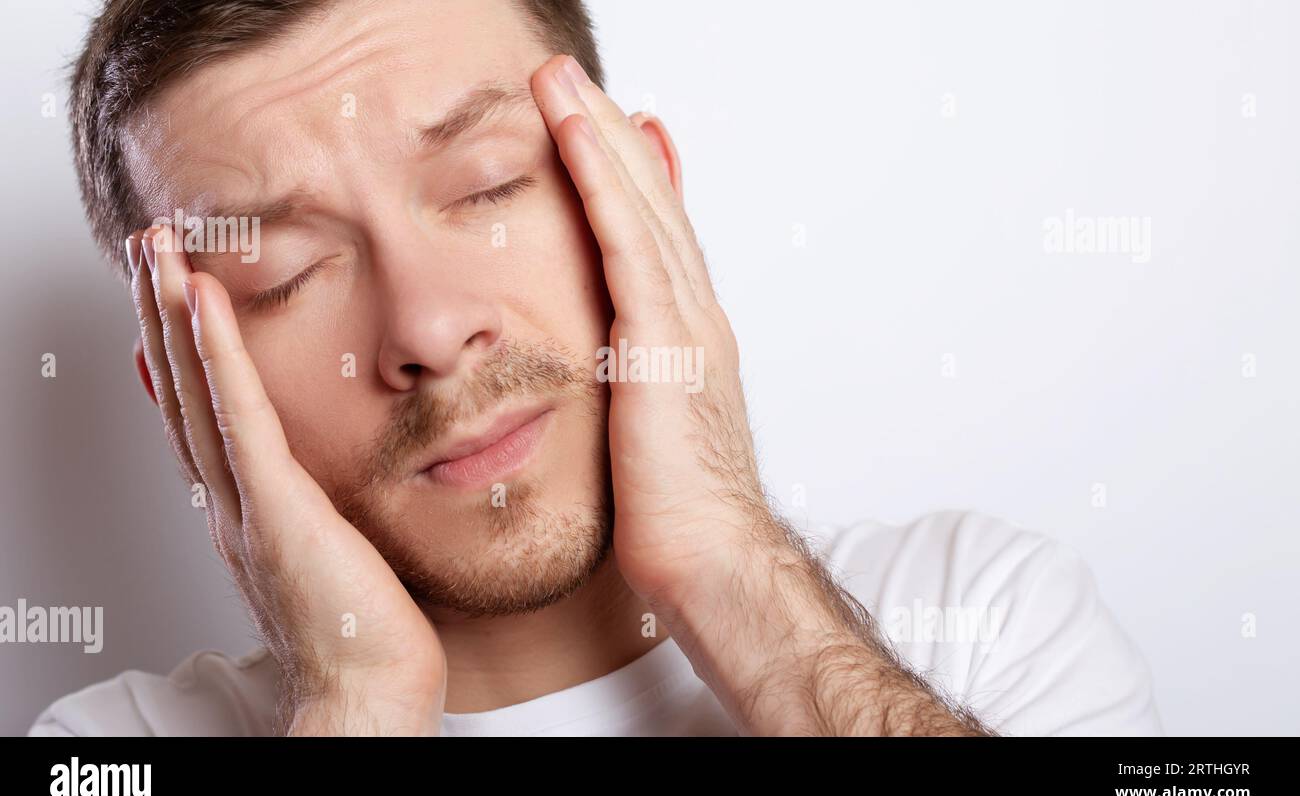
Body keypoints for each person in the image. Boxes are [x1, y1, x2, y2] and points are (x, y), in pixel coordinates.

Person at [30, 0, 1161, 736]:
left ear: (644, 198)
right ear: (187, 387)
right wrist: (354, 697)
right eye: (284, 274)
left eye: (483, 187)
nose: (426, 326)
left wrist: (729, 569)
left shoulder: (983, 619)